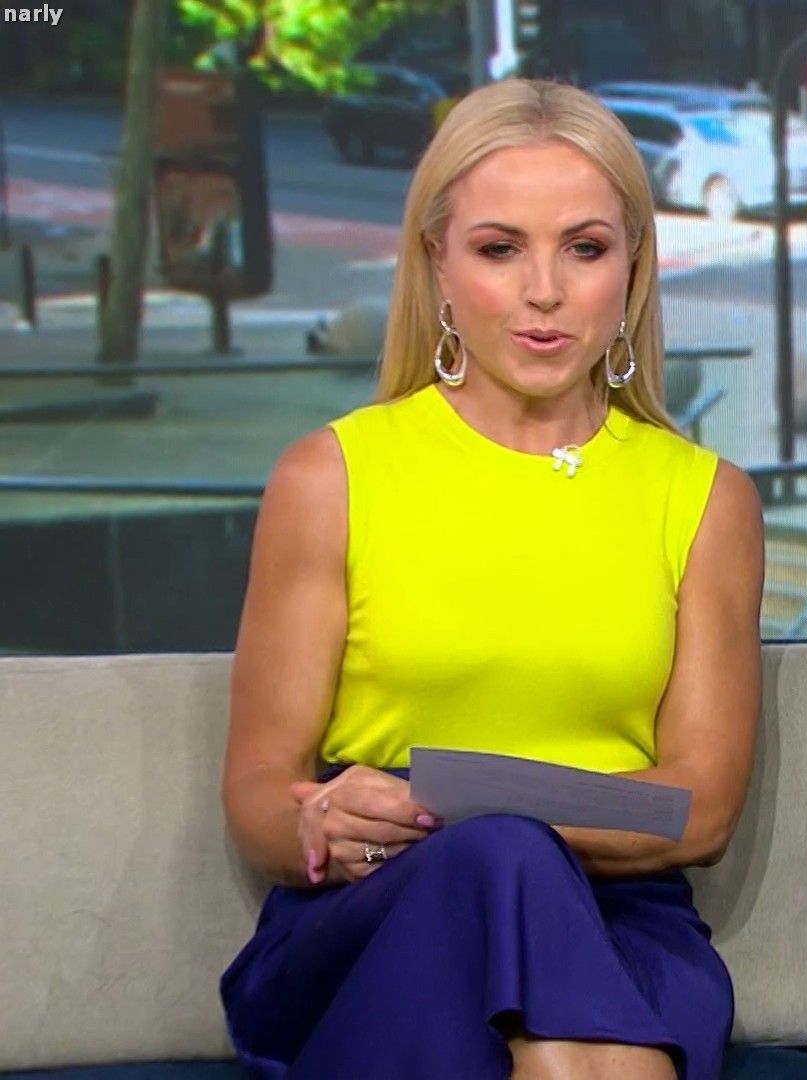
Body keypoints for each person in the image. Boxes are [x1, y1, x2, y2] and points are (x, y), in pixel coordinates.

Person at [219, 79, 765, 1080]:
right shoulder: (330, 478)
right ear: (438, 262)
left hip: (620, 919)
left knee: (515, 880)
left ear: (633, 267)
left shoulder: (705, 500)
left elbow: (699, 811)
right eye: (500, 249)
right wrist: (316, 818)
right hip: (373, 915)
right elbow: (258, 794)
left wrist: (491, 820)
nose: (544, 290)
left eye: (585, 249)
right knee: (503, 865)